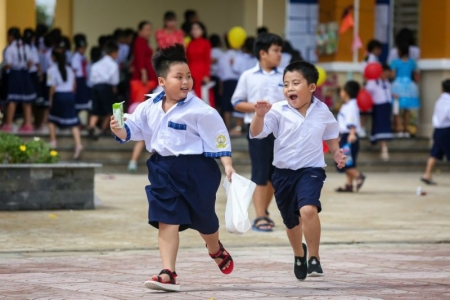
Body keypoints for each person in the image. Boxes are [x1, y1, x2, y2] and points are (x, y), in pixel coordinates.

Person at [110, 44, 235, 292]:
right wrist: (118, 128)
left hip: (197, 170)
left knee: (205, 220)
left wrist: (228, 165)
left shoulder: (201, 110)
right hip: (162, 168)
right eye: (179, 77)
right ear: (161, 81)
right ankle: (168, 272)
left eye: (188, 76)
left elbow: (219, 137)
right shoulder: (147, 107)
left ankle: (214, 248)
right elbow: (131, 129)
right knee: (166, 219)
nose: (186, 81)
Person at [250, 61, 346, 279]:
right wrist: (259, 115)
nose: (289, 89)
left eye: (295, 83)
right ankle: (298, 254)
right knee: (291, 221)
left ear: (311, 87)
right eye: (285, 84)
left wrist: (336, 152)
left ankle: (314, 257)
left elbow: (330, 132)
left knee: (308, 210)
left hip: (311, 170)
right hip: (282, 174)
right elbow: (256, 133)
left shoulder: (321, 110)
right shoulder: (276, 110)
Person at [231, 33, 284, 232]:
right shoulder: (248, 76)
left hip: (281, 131)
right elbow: (236, 102)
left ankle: (264, 211)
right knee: (260, 171)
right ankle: (259, 216)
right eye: (275, 51)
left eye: (280, 50)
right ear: (263, 53)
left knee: (275, 173)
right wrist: (257, 108)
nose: (279, 54)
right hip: (258, 130)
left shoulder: (284, 76)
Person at [47, 50, 82, 159]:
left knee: (51, 120)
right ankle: (78, 144)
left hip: (59, 96)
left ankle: (53, 141)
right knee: (73, 122)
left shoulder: (52, 70)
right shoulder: (70, 69)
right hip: (70, 96)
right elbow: (74, 85)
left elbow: (52, 87)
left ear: (54, 58)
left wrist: (50, 100)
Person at [1, 27, 35, 133]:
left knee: (12, 99)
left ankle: (9, 123)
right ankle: (28, 123)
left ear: (11, 36)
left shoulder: (10, 48)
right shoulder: (26, 46)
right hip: (25, 73)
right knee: (26, 101)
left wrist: (3, 68)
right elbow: (30, 62)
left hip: (15, 74)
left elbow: (9, 64)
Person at [336, 80, 366, 192]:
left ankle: (359, 176)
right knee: (348, 160)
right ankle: (349, 184)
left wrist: (352, 134)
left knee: (345, 161)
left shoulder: (351, 106)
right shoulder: (348, 105)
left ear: (346, 92)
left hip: (349, 137)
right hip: (345, 135)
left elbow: (351, 121)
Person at [87, 42, 119, 139]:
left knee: (95, 109)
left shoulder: (96, 64)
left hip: (95, 87)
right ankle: (102, 129)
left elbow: (91, 79)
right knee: (109, 110)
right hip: (106, 87)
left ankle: (91, 127)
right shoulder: (113, 65)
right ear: (113, 53)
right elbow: (115, 80)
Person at [421, 79, 450, 185]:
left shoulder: (439, 100)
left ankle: (427, 174)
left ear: (442, 89)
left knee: (435, 153)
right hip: (447, 130)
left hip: (438, 130)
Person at [390, 43, 420, 138]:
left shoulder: (395, 62)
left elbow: (393, 75)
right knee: (407, 109)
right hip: (410, 86)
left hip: (397, 86)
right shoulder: (412, 62)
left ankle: (399, 128)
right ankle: (406, 128)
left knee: (396, 108)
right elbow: (415, 75)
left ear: (399, 51)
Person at [365, 63, 393, 161]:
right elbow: (367, 94)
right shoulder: (372, 82)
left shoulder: (387, 83)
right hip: (378, 107)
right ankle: (384, 149)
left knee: (382, 125)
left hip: (387, 106)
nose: (386, 75)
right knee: (381, 126)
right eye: (384, 73)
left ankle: (373, 142)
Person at [186, 21, 215, 107]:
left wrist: (207, 75)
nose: (194, 31)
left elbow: (207, 60)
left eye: (197, 29)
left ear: (203, 31)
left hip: (202, 72)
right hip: (191, 72)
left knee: (203, 95)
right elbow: (187, 60)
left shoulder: (206, 43)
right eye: (192, 29)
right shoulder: (189, 44)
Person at [218, 36, 240, 133]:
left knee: (226, 105)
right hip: (237, 81)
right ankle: (237, 127)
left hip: (226, 82)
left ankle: (227, 127)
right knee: (237, 103)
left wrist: (220, 87)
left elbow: (220, 73)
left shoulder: (222, 56)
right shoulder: (239, 55)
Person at [71, 34, 90, 112]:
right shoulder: (75, 57)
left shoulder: (82, 56)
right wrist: (74, 83)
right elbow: (74, 72)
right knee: (78, 101)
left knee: (83, 101)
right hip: (77, 80)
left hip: (83, 79)